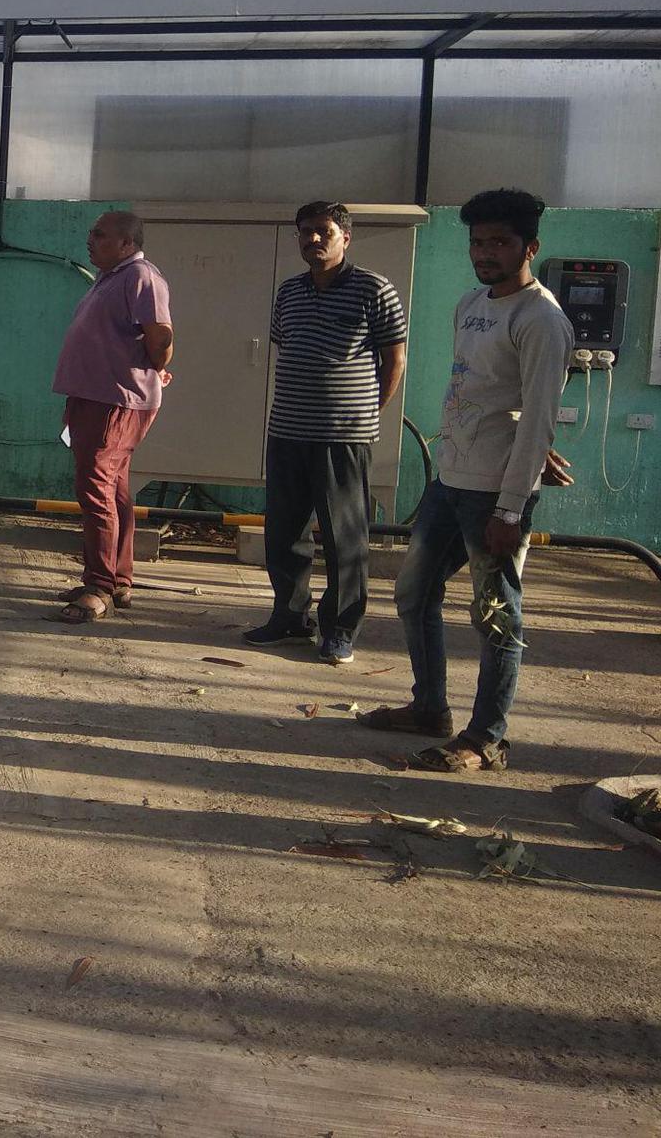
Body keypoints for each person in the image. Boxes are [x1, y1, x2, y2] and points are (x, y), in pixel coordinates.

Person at [365, 188, 573, 772]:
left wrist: (511, 507)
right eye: (478, 242)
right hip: (449, 478)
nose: (485, 253)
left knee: (495, 614)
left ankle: (486, 739)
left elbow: (539, 415)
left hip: (494, 495)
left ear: (530, 247)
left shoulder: (541, 320)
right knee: (413, 593)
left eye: (499, 242)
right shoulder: (471, 303)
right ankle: (429, 708)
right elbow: (485, 393)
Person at [244, 202, 408, 664]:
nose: (313, 239)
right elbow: (287, 347)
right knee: (284, 532)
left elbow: (395, 359)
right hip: (288, 429)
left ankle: (340, 629)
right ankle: (290, 618)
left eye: (323, 231)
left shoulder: (374, 289)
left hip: (343, 435)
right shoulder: (290, 292)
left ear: (345, 237)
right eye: (305, 232)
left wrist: (366, 411)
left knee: (344, 537)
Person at [50, 211, 173, 624]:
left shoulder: (141, 276)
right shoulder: (110, 277)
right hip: (94, 397)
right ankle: (117, 579)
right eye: (91, 232)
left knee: (96, 488)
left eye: (100, 234)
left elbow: (160, 337)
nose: (90, 239)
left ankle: (99, 587)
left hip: (115, 401)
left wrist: (153, 369)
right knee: (114, 489)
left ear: (127, 243)